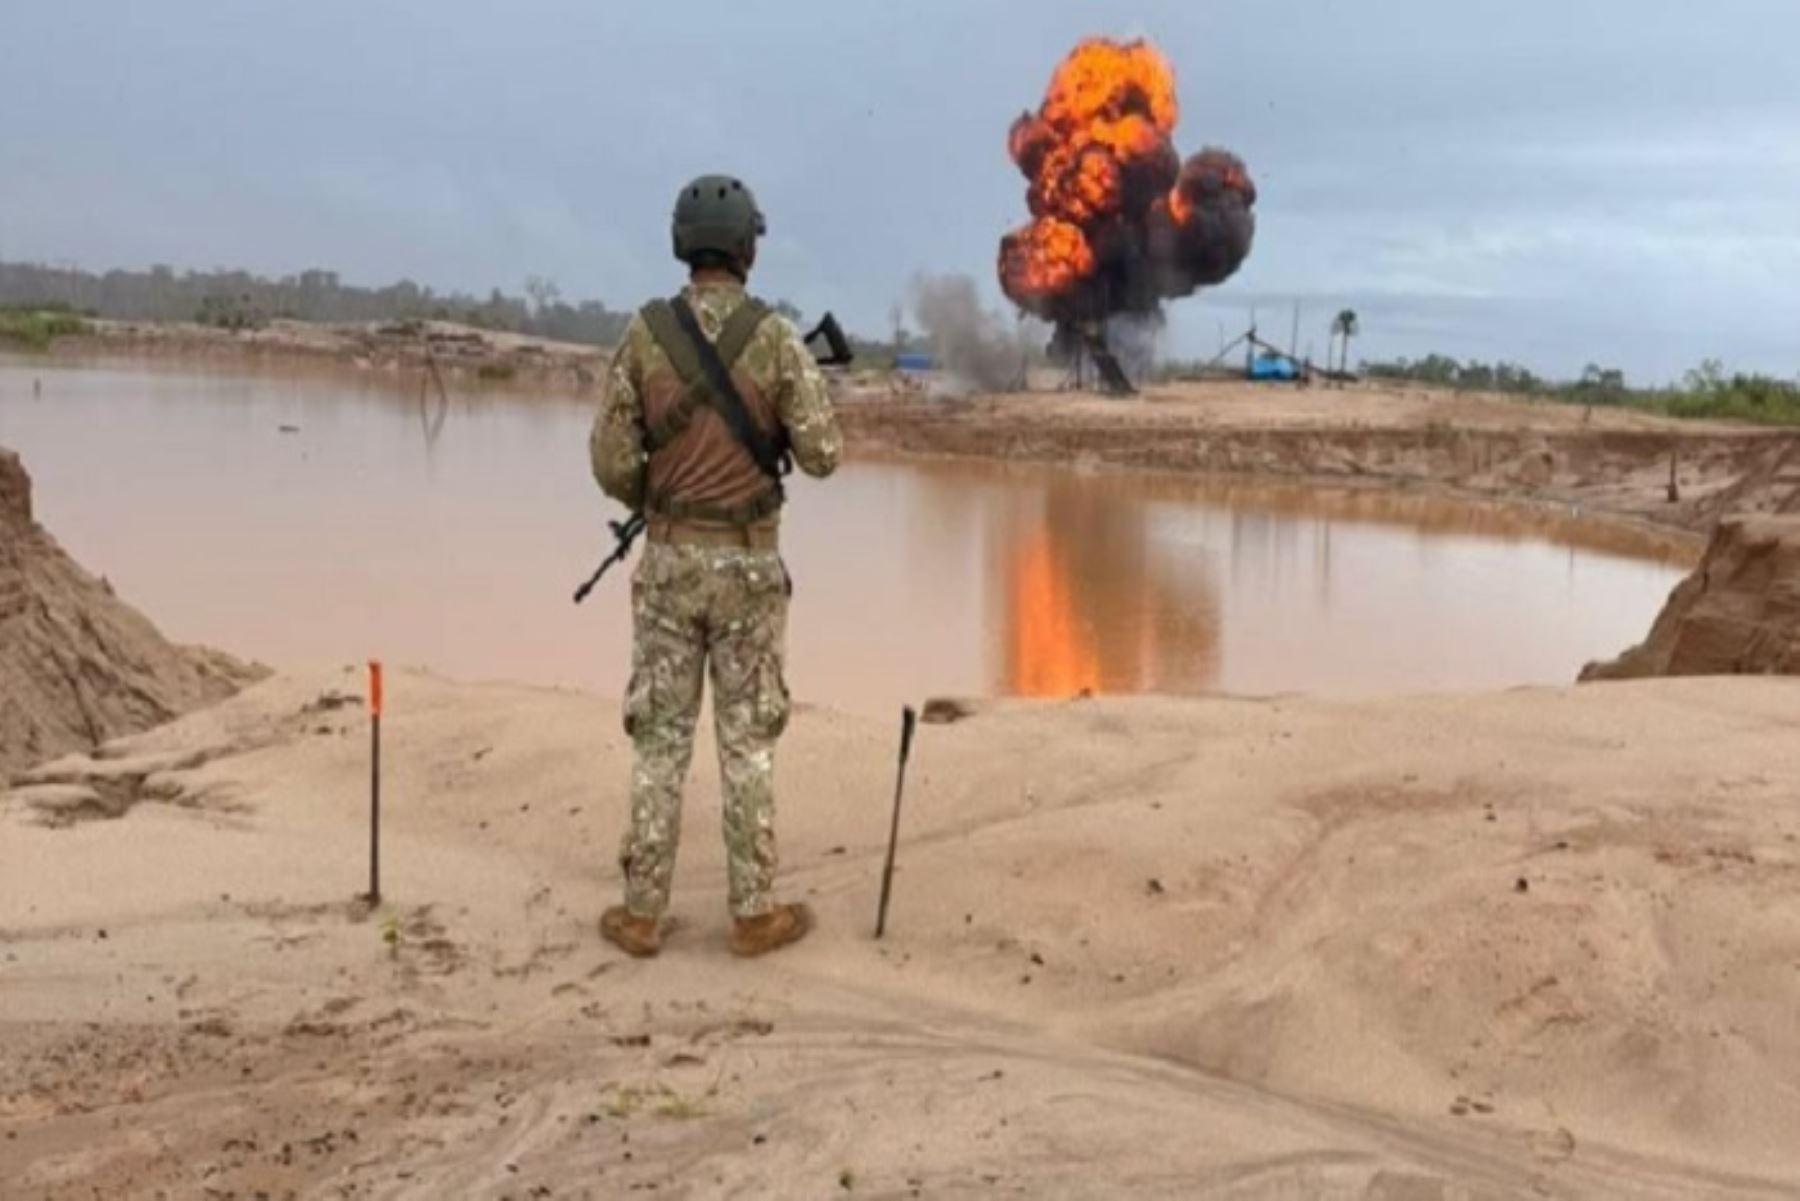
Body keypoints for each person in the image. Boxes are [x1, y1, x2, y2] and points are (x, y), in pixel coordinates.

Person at [589, 175, 841, 959]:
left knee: (660, 740)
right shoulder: (777, 338)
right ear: (746, 248)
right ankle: (753, 913)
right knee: (748, 740)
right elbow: (824, 456)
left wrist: (658, 497)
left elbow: (608, 459)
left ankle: (639, 915)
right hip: (747, 574)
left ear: (682, 243)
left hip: (665, 565)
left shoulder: (642, 335)